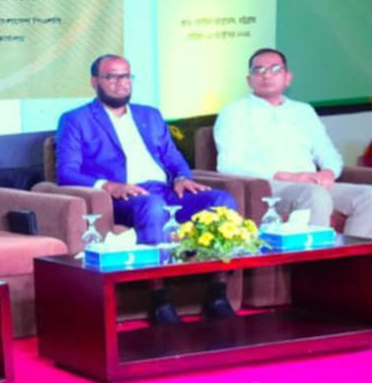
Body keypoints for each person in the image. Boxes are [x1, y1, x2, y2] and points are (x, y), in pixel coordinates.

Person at [56, 54, 238, 324]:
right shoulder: (76, 119)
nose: (121, 83)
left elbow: (172, 156)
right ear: (95, 82)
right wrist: (108, 186)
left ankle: (217, 294)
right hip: (126, 196)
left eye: (126, 76)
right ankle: (159, 298)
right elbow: (66, 172)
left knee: (222, 201)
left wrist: (182, 177)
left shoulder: (149, 115)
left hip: (165, 190)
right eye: (112, 77)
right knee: (152, 206)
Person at [214, 48, 372, 238]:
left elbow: (328, 153)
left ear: (287, 78)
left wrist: (328, 172)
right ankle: (315, 256)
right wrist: (287, 176)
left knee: (368, 197)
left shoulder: (304, 111)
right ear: (249, 80)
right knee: (315, 195)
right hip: (270, 185)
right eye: (259, 70)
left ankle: (353, 256)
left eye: (275, 69)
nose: (267, 75)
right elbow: (228, 164)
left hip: (311, 182)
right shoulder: (234, 112)